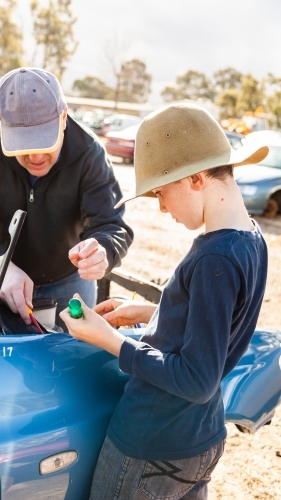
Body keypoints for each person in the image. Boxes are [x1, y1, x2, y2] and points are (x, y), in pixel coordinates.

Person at [60, 103, 269, 499]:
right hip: (201, 439)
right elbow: (217, 326)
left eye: (161, 191)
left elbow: (196, 378)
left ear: (195, 179)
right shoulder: (250, 240)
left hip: (152, 442)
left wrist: (107, 338)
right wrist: (152, 312)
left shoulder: (213, 257)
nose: (161, 207)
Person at [0, 67, 133, 329]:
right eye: (22, 146)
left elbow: (112, 225)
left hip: (68, 283)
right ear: (2, 127)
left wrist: (103, 250)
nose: (35, 158)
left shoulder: (89, 153)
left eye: (45, 143)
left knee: (69, 362)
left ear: (64, 117)